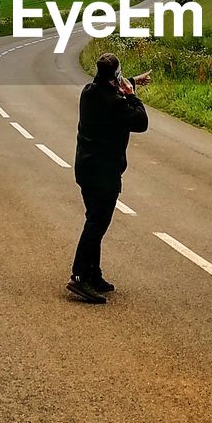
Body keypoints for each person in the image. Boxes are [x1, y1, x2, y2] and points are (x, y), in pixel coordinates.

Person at [67, 52, 151, 303]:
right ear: (115, 76)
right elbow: (141, 122)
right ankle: (79, 277)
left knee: (94, 221)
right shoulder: (116, 103)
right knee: (96, 225)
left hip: (85, 168)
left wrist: (132, 81)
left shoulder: (88, 92)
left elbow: (107, 89)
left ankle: (94, 274)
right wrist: (132, 95)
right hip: (104, 174)